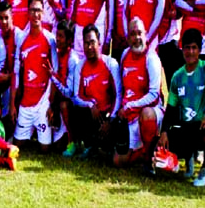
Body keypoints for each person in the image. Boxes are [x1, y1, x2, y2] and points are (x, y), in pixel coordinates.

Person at [158, 28, 205, 187]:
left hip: (204, 127)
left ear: (199, 49)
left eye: (194, 48)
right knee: (161, 144)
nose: (190, 52)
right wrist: (164, 132)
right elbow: (171, 108)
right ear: (182, 49)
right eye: (187, 48)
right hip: (186, 128)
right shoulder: (178, 76)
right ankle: (187, 157)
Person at [10, 0, 62, 151]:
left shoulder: (50, 40)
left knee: (45, 149)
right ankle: (24, 131)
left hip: (42, 103)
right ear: (28, 12)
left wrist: (50, 104)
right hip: (26, 103)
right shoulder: (21, 39)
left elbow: (55, 74)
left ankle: (41, 129)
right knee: (18, 146)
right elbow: (16, 74)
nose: (36, 14)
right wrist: (13, 104)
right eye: (33, 10)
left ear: (43, 12)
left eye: (39, 10)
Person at [112, 19, 162, 171]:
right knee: (117, 162)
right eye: (133, 34)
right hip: (129, 116)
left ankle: (149, 159)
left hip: (149, 112)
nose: (137, 38)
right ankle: (149, 150)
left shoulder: (152, 58)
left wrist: (130, 106)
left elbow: (154, 95)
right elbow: (122, 89)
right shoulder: (125, 55)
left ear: (145, 35)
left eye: (139, 33)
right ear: (128, 38)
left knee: (147, 114)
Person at [65, 25, 121, 159]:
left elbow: (118, 95)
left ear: (99, 42)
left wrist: (111, 120)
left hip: (107, 115)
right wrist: (90, 105)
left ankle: (105, 146)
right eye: (86, 43)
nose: (89, 47)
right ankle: (87, 145)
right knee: (74, 109)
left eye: (92, 42)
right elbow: (76, 96)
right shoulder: (80, 66)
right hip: (91, 113)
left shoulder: (111, 64)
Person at [50, 19, 80, 157]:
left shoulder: (72, 59)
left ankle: (74, 141)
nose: (57, 39)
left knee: (63, 105)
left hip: (73, 105)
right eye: (57, 35)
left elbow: (70, 92)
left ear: (69, 40)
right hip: (61, 102)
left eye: (61, 36)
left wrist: (53, 76)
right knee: (55, 147)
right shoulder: (58, 54)